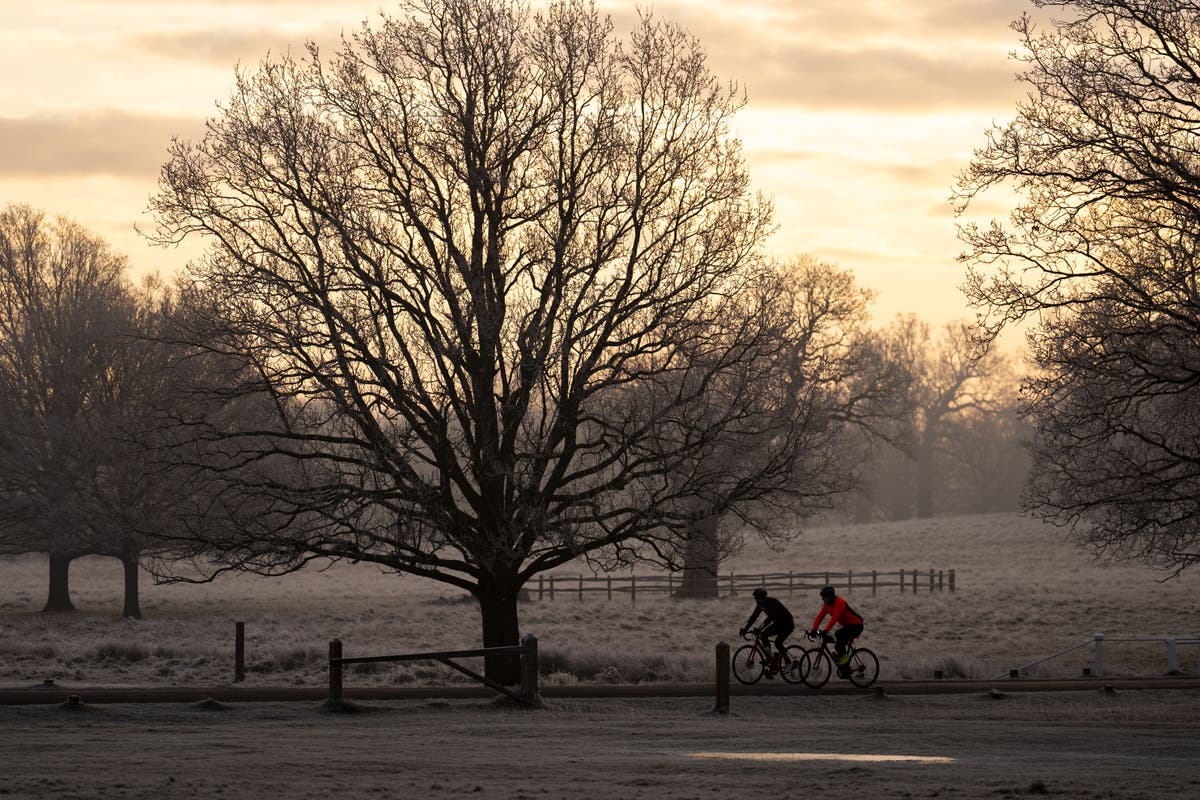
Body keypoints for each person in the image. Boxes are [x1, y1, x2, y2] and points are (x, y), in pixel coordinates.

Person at [808, 585, 864, 675]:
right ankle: (846, 668)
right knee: (838, 637)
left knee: (839, 636)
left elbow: (834, 619)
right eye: (821, 597)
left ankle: (844, 657)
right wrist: (814, 629)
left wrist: (825, 631)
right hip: (848, 626)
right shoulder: (827, 605)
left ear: (830, 596)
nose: (822, 599)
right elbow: (819, 617)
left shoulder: (840, 603)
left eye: (823, 597)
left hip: (857, 625)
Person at [739, 587, 795, 676]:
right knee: (763, 635)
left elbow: (770, 618)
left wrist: (759, 628)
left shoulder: (773, 602)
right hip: (779, 623)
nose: (756, 601)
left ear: (763, 598)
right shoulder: (761, 605)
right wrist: (745, 629)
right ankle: (771, 657)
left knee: (778, 643)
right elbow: (753, 617)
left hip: (788, 624)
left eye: (757, 599)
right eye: (755, 599)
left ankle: (789, 663)